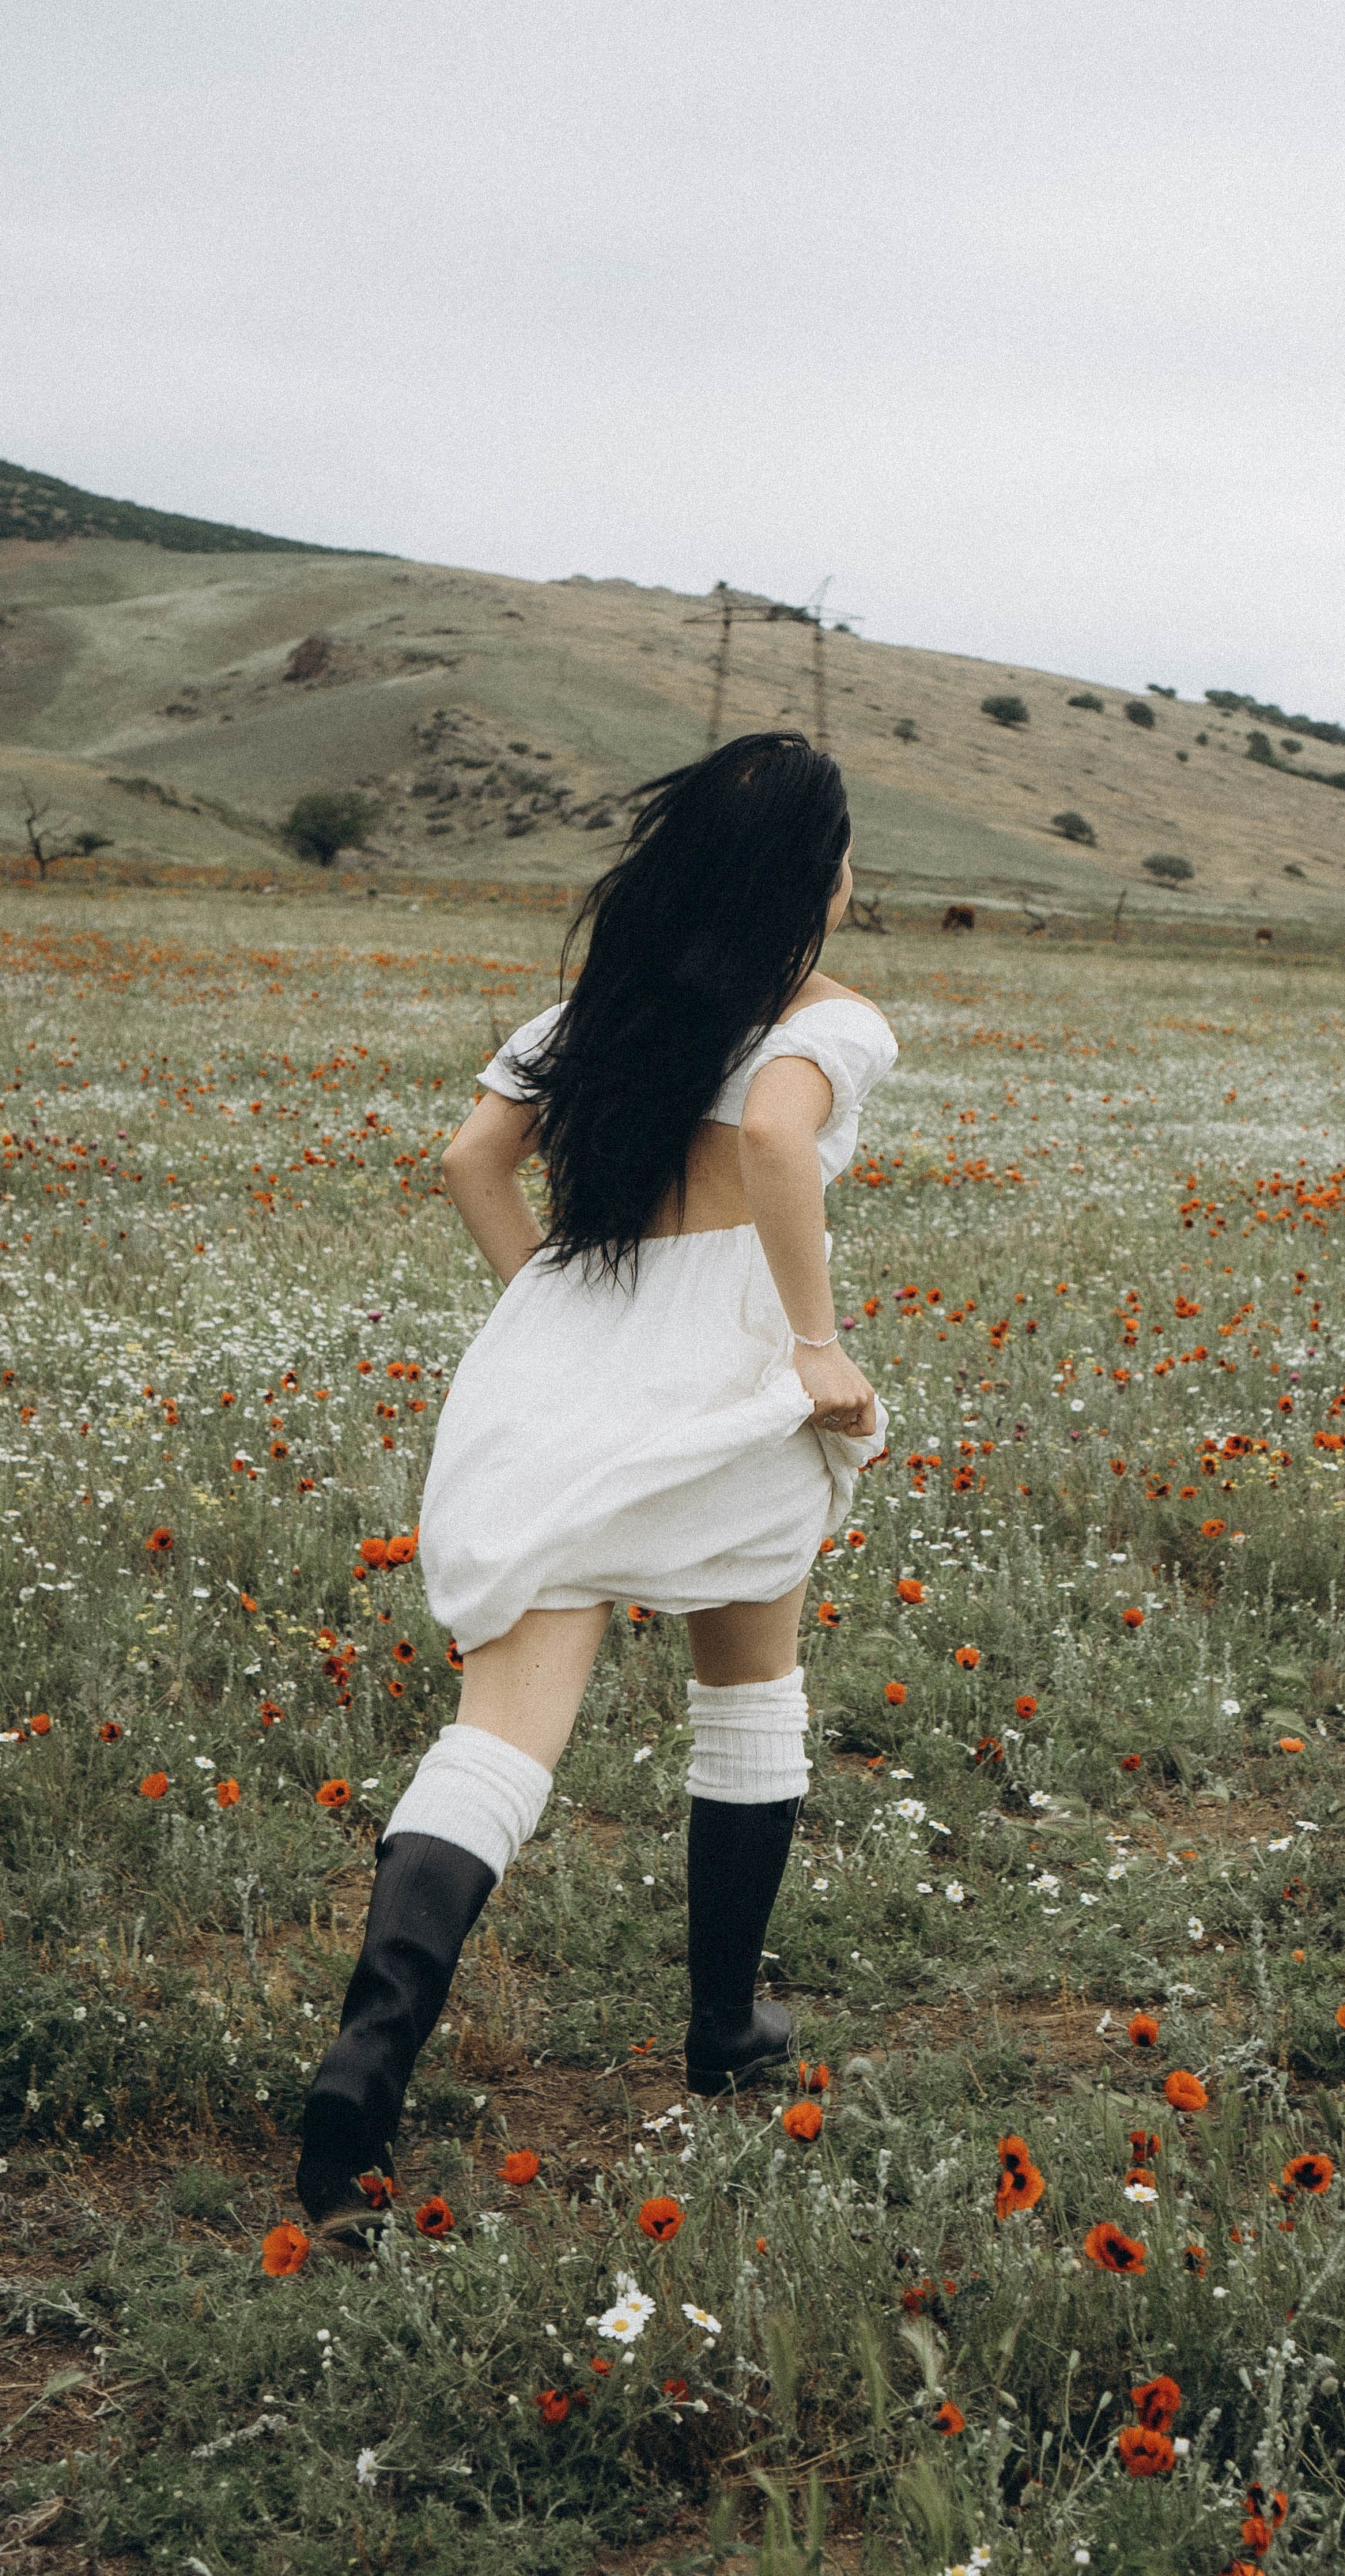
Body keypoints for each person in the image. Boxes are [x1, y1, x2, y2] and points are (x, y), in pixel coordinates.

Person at [296, 732, 894, 2240]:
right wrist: (815, 1346)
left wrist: (551, 1319)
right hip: (732, 1384)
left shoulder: (589, 1012)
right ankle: (724, 2030)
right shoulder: (828, 1018)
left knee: (499, 1742)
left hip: (558, 1366)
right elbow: (772, 1134)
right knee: (750, 1690)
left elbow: (468, 1162)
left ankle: (366, 2070)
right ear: (809, 882)